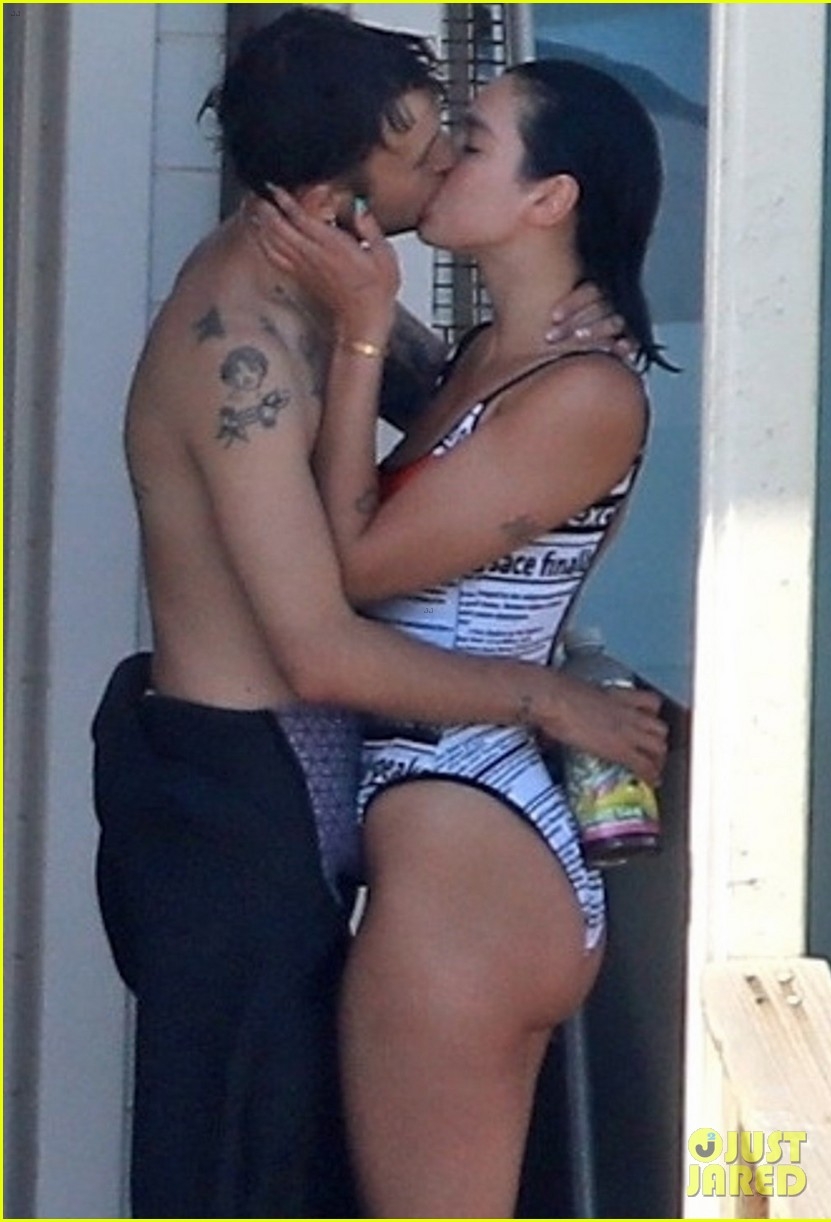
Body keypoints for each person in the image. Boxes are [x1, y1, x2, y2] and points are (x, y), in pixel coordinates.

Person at [91, 8, 667, 1219]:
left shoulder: (332, 306)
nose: (443, 161)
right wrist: (546, 697)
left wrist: (567, 327)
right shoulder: (244, 343)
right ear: (334, 194)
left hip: (383, 812)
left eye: (464, 140)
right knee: (238, 1182)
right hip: (240, 794)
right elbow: (319, 640)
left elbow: (482, 425)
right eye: (424, 147)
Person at [251, 54, 671, 1219]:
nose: (440, 159)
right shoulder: (491, 354)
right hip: (452, 823)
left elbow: (352, 566)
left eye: (472, 143)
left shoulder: (583, 392)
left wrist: (358, 336)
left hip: (469, 849)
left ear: (550, 198)